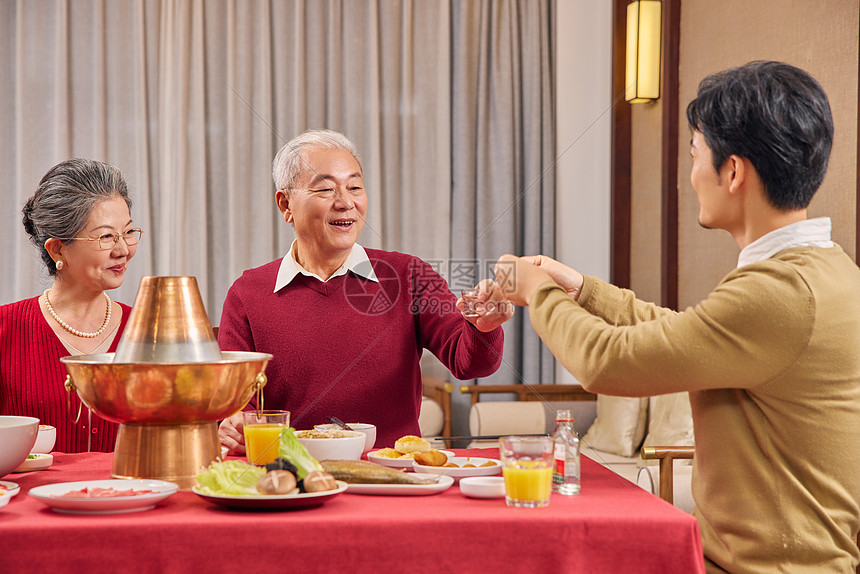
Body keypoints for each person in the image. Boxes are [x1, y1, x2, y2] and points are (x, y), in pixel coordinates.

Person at [496, 61, 860, 572]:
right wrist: (576, 288)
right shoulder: (821, 272)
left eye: (695, 155)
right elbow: (680, 331)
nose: (691, 176)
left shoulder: (784, 291)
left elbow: (608, 363)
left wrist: (537, 293)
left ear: (732, 171)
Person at [218, 129, 513, 450]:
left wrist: (482, 327)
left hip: (392, 474)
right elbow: (233, 400)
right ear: (285, 204)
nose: (346, 203)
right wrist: (234, 421)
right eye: (326, 189)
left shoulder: (409, 275)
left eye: (355, 187)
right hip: (292, 476)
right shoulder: (248, 293)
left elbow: (470, 363)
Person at [0, 158, 141, 453]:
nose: (123, 250)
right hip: (26, 499)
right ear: (57, 248)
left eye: (128, 232)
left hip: (136, 497)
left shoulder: (149, 333)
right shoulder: (6, 328)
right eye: (106, 237)